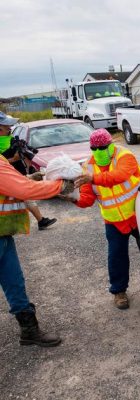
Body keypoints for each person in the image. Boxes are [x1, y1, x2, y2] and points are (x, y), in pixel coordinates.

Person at [0, 113, 75, 347]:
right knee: (13, 280)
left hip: (2, 235)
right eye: (4, 130)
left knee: (14, 281)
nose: (7, 135)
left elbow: (14, 183)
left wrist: (35, 177)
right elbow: (24, 190)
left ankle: (29, 330)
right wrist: (60, 185)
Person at [72, 129, 140, 310]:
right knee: (116, 257)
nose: (98, 151)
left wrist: (93, 178)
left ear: (110, 144)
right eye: (94, 148)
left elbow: (119, 176)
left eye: (103, 147)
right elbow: (87, 200)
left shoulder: (124, 156)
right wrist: (71, 197)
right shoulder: (87, 168)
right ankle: (119, 291)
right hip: (113, 221)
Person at [0, 113, 57, 230]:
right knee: (26, 196)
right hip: (10, 178)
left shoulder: (9, 138)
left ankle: (40, 221)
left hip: (17, 174)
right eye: (7, 127)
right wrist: (13, 159)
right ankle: (41, 221)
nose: (10, 129)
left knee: (25, 197)